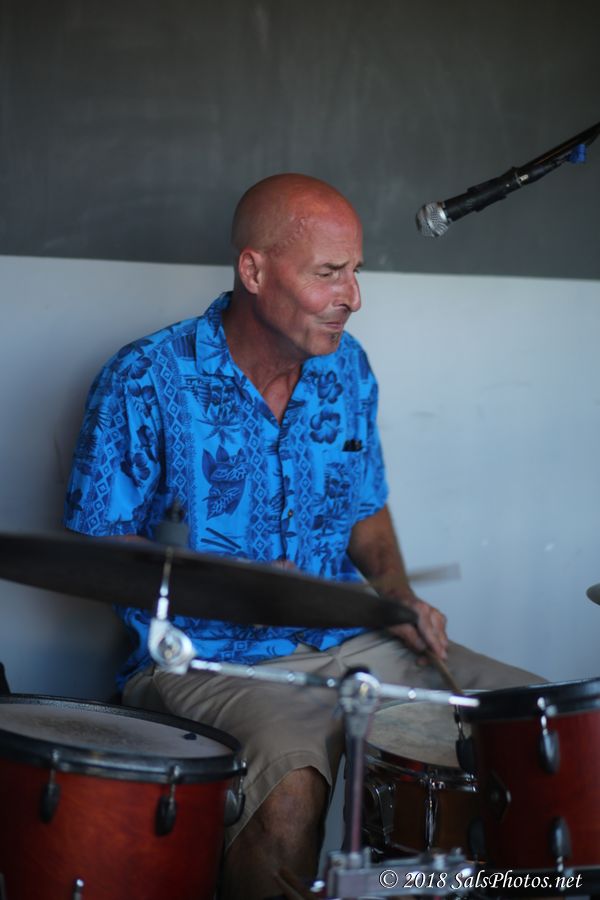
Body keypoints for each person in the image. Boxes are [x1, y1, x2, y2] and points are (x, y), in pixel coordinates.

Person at [63, 173, 542, 900]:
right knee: (289, 789)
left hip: (353, 637)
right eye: (329, 273)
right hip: (211, 662)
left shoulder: (347, 369)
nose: (354, 296)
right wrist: (228, 588)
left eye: (356, 270)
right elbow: (96, 548)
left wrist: (398, 597)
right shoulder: (144, 378)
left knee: (537, 725)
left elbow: (364, 506)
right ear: (254, 272)